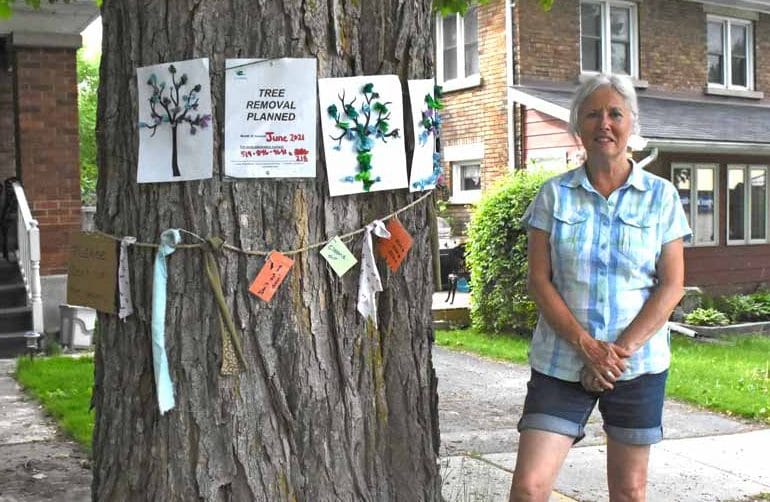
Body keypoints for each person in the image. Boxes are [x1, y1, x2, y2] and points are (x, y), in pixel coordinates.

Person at [509, 73, 691, 502]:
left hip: (637, 366)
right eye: (592, 114)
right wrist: (588, 346)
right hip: (560, 363)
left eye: (614, 114)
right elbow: (539, 280)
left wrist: (616, 353)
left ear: (632, 123)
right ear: (578, 125)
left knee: (629, 492)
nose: (603, 123)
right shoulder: (553, 196)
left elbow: (672, 285)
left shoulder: (661, 197)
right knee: (529, 488)